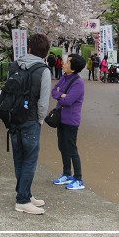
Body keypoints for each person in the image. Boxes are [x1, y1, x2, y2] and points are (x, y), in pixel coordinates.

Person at [8, 33, 52, 215]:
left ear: (29, 48)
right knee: (30, 160)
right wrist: (40, 119)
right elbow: (43, 102)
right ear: (45, 52)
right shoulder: (43, 71)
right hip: (31, 119)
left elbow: (8, 91)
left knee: (19, 157)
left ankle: (25, 193)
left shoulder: (14, 65)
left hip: (13, 118)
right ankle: (23, 200)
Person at [51, 54, 87, 191]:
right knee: (62, 146)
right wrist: (61, 94)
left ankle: (78, 178)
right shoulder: (64, 77)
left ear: (73, 68)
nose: (64, 63)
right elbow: (54, 92)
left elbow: (68, 100)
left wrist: (61, 95)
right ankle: (67, 174)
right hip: (61, 118)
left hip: (71, 120)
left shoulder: (78, 82)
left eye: (67, 62)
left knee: (71, 149)